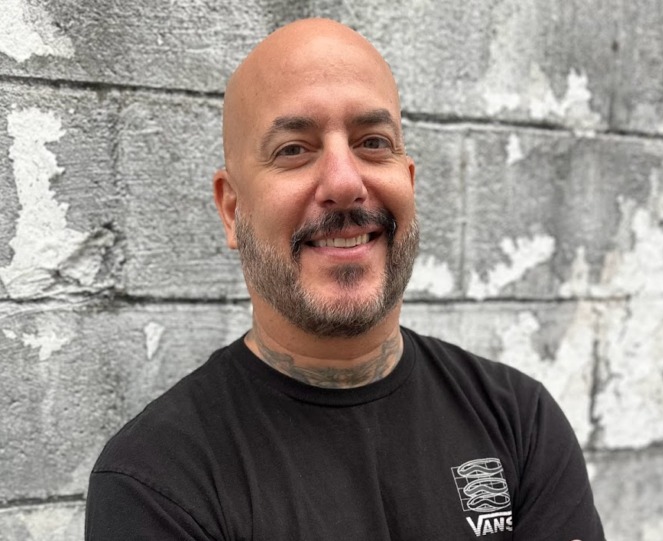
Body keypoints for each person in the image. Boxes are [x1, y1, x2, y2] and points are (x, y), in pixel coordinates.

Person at [85, 18, 605, 540]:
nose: (343, 182)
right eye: (294, 149)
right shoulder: (159, 480)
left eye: (373, 142)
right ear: (232, 209)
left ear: (408, 181)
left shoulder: (520, 422)